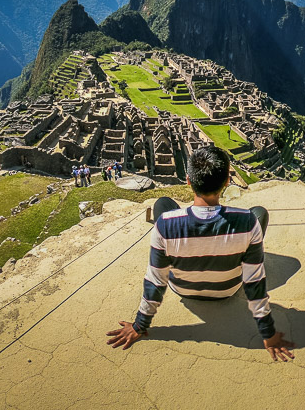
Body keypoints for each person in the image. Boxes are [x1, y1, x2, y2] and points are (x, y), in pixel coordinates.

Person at [105, 145, 294, 361]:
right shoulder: (247, 221)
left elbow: (155, 282)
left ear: (188, 180)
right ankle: (238, 252)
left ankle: (185, 243)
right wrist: (268, 334)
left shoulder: (165, 225)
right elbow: (255, 282)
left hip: (183, 288)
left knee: (163, 204)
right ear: (226, 182)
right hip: (227, 289)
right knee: (260, 212)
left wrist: (140, 325)